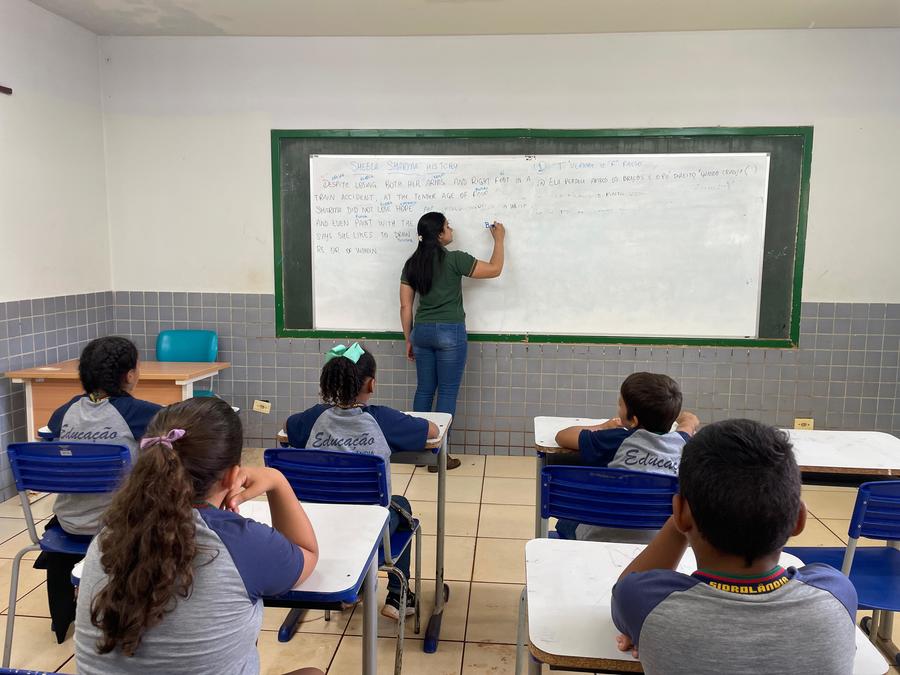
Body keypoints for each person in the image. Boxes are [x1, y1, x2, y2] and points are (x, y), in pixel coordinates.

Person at [74, 397, 321, 675]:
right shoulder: (238, 541)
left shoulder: (110, 535)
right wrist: (277, 480)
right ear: (232, 477)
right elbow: (306, 552)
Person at [611, 419, 858, 675]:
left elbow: (624, 592)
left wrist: (642, 623)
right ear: (799, 520)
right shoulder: (836, 593)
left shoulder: (644, 602)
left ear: (681, 513)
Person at [285, 342, 438, 620]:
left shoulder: (311, 419)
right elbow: (431, 429)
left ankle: (349, 587)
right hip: (368, 529)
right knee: (401, 506)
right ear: (371, 384)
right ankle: (397, 596)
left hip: (317, 526)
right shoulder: (382, 420)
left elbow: (287, 427)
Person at [41, 336, 162, 642]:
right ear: (129, 375)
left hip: (68, 523)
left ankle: (61, 619)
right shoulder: (139, 412)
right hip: (119, 526)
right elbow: (182, 425)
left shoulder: (63, 412)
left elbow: (48, 437)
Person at [399, 211, 505, 471]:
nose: (451, 228)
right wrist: (499, 240)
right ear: (439, 234)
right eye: (447, 225)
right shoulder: (455, 260)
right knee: (446, 392)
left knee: (424, 390)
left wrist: (408, 338)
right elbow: (495, 269)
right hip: (450, 332)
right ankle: (440, 456)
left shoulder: (411, 264)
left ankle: (419, 451)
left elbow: (405, 306)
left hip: (421, 331)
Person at [554, 372, 699, 541]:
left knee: (567, 519)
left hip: (600, 535)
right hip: (659, 540)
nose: (618, 408)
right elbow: (689, 425)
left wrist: (603, 426)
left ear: (634, 420)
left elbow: (562, 436)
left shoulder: (615, 439)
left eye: (620, 404)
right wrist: (686, 419)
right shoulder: (681, 442)